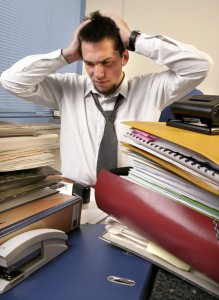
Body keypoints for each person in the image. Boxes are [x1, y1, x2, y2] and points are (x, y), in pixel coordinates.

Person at [0, 11, 212, 185]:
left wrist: (134, 39)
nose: (98, 74)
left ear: (125, 57)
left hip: (132, 199)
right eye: (90, 64)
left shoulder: (151, 89)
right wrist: (67, 54)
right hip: (77, 197)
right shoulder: (67, 88)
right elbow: (11, 80)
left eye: (106, 62)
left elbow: (200, 66)